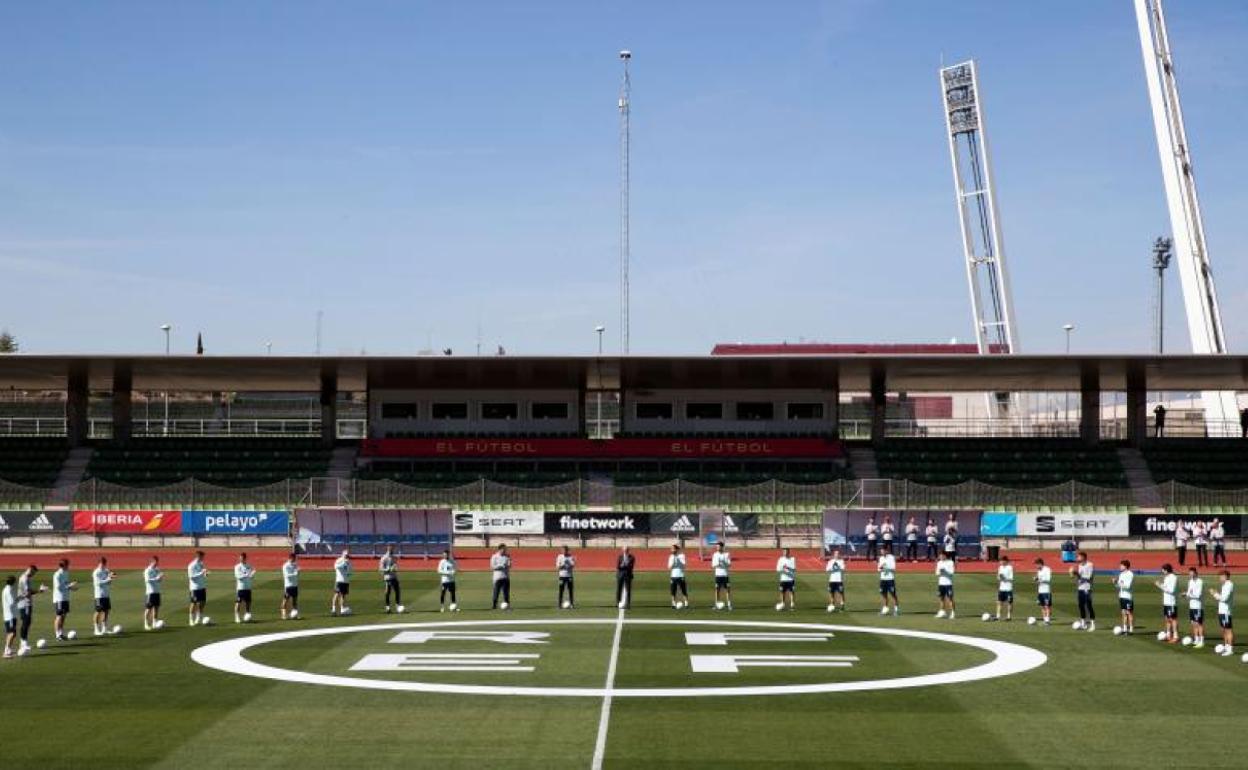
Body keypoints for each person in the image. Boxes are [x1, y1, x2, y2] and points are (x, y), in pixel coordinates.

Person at [18, 565, 46, 653]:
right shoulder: (25, 578)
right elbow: (28, 592)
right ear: (30, 570)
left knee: (27, 622)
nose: (34, 574)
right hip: (24, 604)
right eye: (34, 572)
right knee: (26, 622)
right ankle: (23, 643)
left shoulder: (27, 578)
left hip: (27, 603)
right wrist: (40, 591)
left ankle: (23, 642)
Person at [51, 559, 77, 642]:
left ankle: (61, 633)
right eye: (67, 564)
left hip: (65, 597)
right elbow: (58, 587)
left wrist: (72, 588)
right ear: (64, 565)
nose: (69, 566)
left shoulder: (66, 573)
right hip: (59, 598)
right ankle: (57, 634)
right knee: (59, 616)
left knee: (63, 616)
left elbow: (66, 584)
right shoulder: (57, 574)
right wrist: (69, 585)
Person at [1211, 569, 1234, 657]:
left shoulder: (1229, 585)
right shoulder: (1225, 585)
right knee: (1224, 630)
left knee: (1228, 630)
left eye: (1221, 576)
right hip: (1222, 611)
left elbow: (1224, 599)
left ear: (1226, 576)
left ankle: (1230, 649)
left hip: (1226, 612)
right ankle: (1226, 646)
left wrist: (1215, 594)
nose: (1220, 578)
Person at [1071, 551, 1096, 632]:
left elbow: (1089, 578)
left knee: (1089, 606)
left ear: (1083, 557)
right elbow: (1079, 577)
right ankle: (1083, 624)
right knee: (1081, 606)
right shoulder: (1079, 566)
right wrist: (1074, 574)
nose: (1077, 558)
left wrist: (1077, 574)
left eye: (1078, 557)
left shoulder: (1090, 565)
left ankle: (1092, 624)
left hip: (1087, 588)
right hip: (1080, 588)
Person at [1155, 563, 1178, 644]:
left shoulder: (1173, 578)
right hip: (1166, 602)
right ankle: (1168, 634)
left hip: (1171, 602)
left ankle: (1175, 636)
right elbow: (1165, 587)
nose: (1162, 572)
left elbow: (1171, 590)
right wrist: (1161, 585)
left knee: (1172, 619)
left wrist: (1160, 585)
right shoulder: (1166, 577)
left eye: (1163, 570)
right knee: (1167, 619)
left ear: (1166, 570)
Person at [91, 558, 114, 637]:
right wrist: (108, 579)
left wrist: (111, 577)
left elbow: (109, 582)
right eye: (102, 563)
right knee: (98, 611)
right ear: (99, 563)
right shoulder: (96, 572)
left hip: (106, 594)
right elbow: (98, 583)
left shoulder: (106, 571)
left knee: (106, 611)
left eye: (104, 563)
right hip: (99, 595)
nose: (103, 565)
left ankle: (105, 628)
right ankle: (96, 629)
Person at [1185, 567, 1206, 649]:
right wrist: (1186, 594)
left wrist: (1188, 595)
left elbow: (1198, 595)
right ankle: (1196, 639)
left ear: (1196, 573)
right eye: (1189, 573)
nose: (1190, 574)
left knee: (1199, 624)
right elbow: (1189, 592)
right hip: (1192, 605)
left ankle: (1201, 641)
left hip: (1198, 606)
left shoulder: (1200, 581)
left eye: (1192, 573)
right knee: (1193, 623)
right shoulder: (1190, 581)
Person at [187, 551, 208, 626]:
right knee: (194, 603)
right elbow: (191, 577)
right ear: (198, 556)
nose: (203, 558)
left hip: (202, 586)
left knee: (202, 602)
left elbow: (202, 573)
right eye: (202, 556)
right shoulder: (191, 565)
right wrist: (201, 573)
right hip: (195, 587)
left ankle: (198, 618)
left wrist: (206, 574)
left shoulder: (201, 564)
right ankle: (191, 620)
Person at [878, 544, 899, 616]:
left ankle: (896, 609)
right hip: (883, 579)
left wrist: (884, 567)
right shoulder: (881, 558)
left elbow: (893, 568)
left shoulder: (891, 557)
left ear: (886, 551)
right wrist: (882, 567)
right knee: (883, 594)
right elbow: (878, 569)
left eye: (883, 550)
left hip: (890, 579)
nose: (881, 552)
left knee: (893, 594)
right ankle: (885, 608)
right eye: (881, 551)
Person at [234, 553, 256, 624]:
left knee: (248, 602)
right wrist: (247, 575)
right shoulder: (237, 567)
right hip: (241, 587)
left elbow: (251, 575)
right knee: (238, 602)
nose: (241, 559)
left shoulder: (248, 566)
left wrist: (252, 575)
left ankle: (248, 615)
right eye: (240, 558)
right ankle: (237, 616)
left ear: (245, 558)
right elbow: (238, 577)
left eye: (243, 558)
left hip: (248, 587)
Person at [710, 542, 733, 610]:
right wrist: (718, 564)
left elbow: (729, 564)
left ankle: (729, 605)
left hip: (725, 574)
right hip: (718, 575)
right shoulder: (715, 554)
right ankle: (716, 604)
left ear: (722, 547)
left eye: (719, 547)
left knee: (727, 590)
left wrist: (724, 562)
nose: (717, 548)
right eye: (717, 547)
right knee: (717, 589)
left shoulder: (726, 554)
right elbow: (713, 565)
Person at [1115, 559, 1135, 635]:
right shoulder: (1121, 574)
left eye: (1121, 565)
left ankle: (1131, 629)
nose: (1120, 566)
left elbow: (1128, 586)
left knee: (1129, 613)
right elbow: (1119, 586)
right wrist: (1115, 583)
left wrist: (1118, 583)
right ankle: (1124, 628)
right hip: (1122, 596)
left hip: (1128, 597)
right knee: (1123, 613)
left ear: (1126, 566)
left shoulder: (1130, 574)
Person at [143, 555, 163, 631]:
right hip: (150, 592)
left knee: (156, 608)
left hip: (157, 591)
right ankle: (146, 623)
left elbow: (159, 580)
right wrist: (157, 578)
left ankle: (154, 623)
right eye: (155, 562)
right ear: (151, 562)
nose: (156, 563)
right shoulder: (147, 570)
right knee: (148, 608)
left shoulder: (157, 569)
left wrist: (160, 578)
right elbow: (148, 580)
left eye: (157, 562)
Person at [379, 546, 402, 613]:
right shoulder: (384, 558)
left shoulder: (394, 557)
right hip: (388, 577)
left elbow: (395, 566)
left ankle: (397, 605)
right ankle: (387, 607)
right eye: (390, 549)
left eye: (392, 549)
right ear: (387, 550)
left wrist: (395, 569)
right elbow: (380, 569)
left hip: (394, 576)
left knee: (397, 591)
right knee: (388, 592)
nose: (392, 551)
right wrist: (387, 569)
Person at [935, 551, 956, 619]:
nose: (940, 557)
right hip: (941, 583)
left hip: (948, 583)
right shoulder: (939, 563)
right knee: (941, 598)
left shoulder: (950, 562)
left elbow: (952, 573)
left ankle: (953, 613)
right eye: (939, 556)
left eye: (941, 555)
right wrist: (940, 572)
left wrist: (945, 571)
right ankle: (942, 612)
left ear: (945, 556)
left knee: (950, 598)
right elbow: (937, 573)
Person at [490, 545, 512, 610]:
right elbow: (492, 567)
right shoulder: (494, 556)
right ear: (499, 549)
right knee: (496, 592)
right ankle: (494, 605)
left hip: (505, 577)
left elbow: (509, 565)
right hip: (497, 578)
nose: (505, 551)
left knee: (506, 593)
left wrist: (508, 564)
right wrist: (500, 566)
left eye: (505, 550)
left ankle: (507, 605)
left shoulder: (507, 556)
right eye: (503, 549)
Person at [668, 544, 689, 609]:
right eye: (671, 549)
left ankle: (686, 603)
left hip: (680, 575)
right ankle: (673, 603)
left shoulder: (682, 556)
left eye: (673, 549)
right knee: (673, 590)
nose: (672, 550)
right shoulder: (671, 557)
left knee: (683, 590)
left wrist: (678, 560)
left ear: (676, 549)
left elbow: (684, 565)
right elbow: (669, 567)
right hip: (673, 575)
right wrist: (673, 562)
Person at [825, 548, 846, 612]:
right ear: (834, 555)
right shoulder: (830, 561)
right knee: (831, 593)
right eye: (836, 554)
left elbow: (843, 569)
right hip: (832, 580)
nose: (837, 555)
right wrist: (832, 568)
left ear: (839, 555)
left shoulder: (841, 561)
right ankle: (832, 605)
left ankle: (842, 605)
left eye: (838, 554)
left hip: (839, 580)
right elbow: (827, 569)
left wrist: (838, 567)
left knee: (841, 593)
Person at [995, 555, 1014, 622]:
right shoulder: (1000, 567)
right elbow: (998, 577)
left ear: (1005, 561)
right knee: (999, 602)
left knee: (1009, 603)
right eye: (1000, 561)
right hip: (1001, 588)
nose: (1001, 562)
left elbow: (1011, 578)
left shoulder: (1010, 567)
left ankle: (1009, 617)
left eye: (1002, 561)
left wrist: (1004, 578)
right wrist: (1000, 578)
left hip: (1008, 588)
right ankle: (998, 616)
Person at [1034, 558, 1053, 625]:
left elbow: (1048, 579)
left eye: (1036, 565)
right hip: (1040, 591)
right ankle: (1045, 620)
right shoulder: (1038, 571)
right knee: (1042, 606)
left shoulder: (1047, 569)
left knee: (1047, 606)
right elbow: (1038, 581)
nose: (1036, 566)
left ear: (1040, 564)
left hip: (1046, 591)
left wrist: (1040, 580)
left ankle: (1047, 620)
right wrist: (1036, 580)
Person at [280, 553, 300, 620]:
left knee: (295, 600)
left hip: (295, 585)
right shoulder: (285, 566)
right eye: (294, 558)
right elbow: (286, 575)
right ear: (291, 558)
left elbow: (297, 571)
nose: (295, 559)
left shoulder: (295, 565)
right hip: (288, 585)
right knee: (286, 600)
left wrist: (298, 572)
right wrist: (295, 574)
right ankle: (283, 614)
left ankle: (295, 614)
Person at [3, 576, 17, 658]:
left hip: (10, 615)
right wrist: (19, 599)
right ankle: (6, 651)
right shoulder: (8, 590)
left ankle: (8, 649)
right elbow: (12, 603)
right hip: (10, 615)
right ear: (13, 582)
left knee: (11, 633)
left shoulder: (7, 589)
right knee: (12, 633)